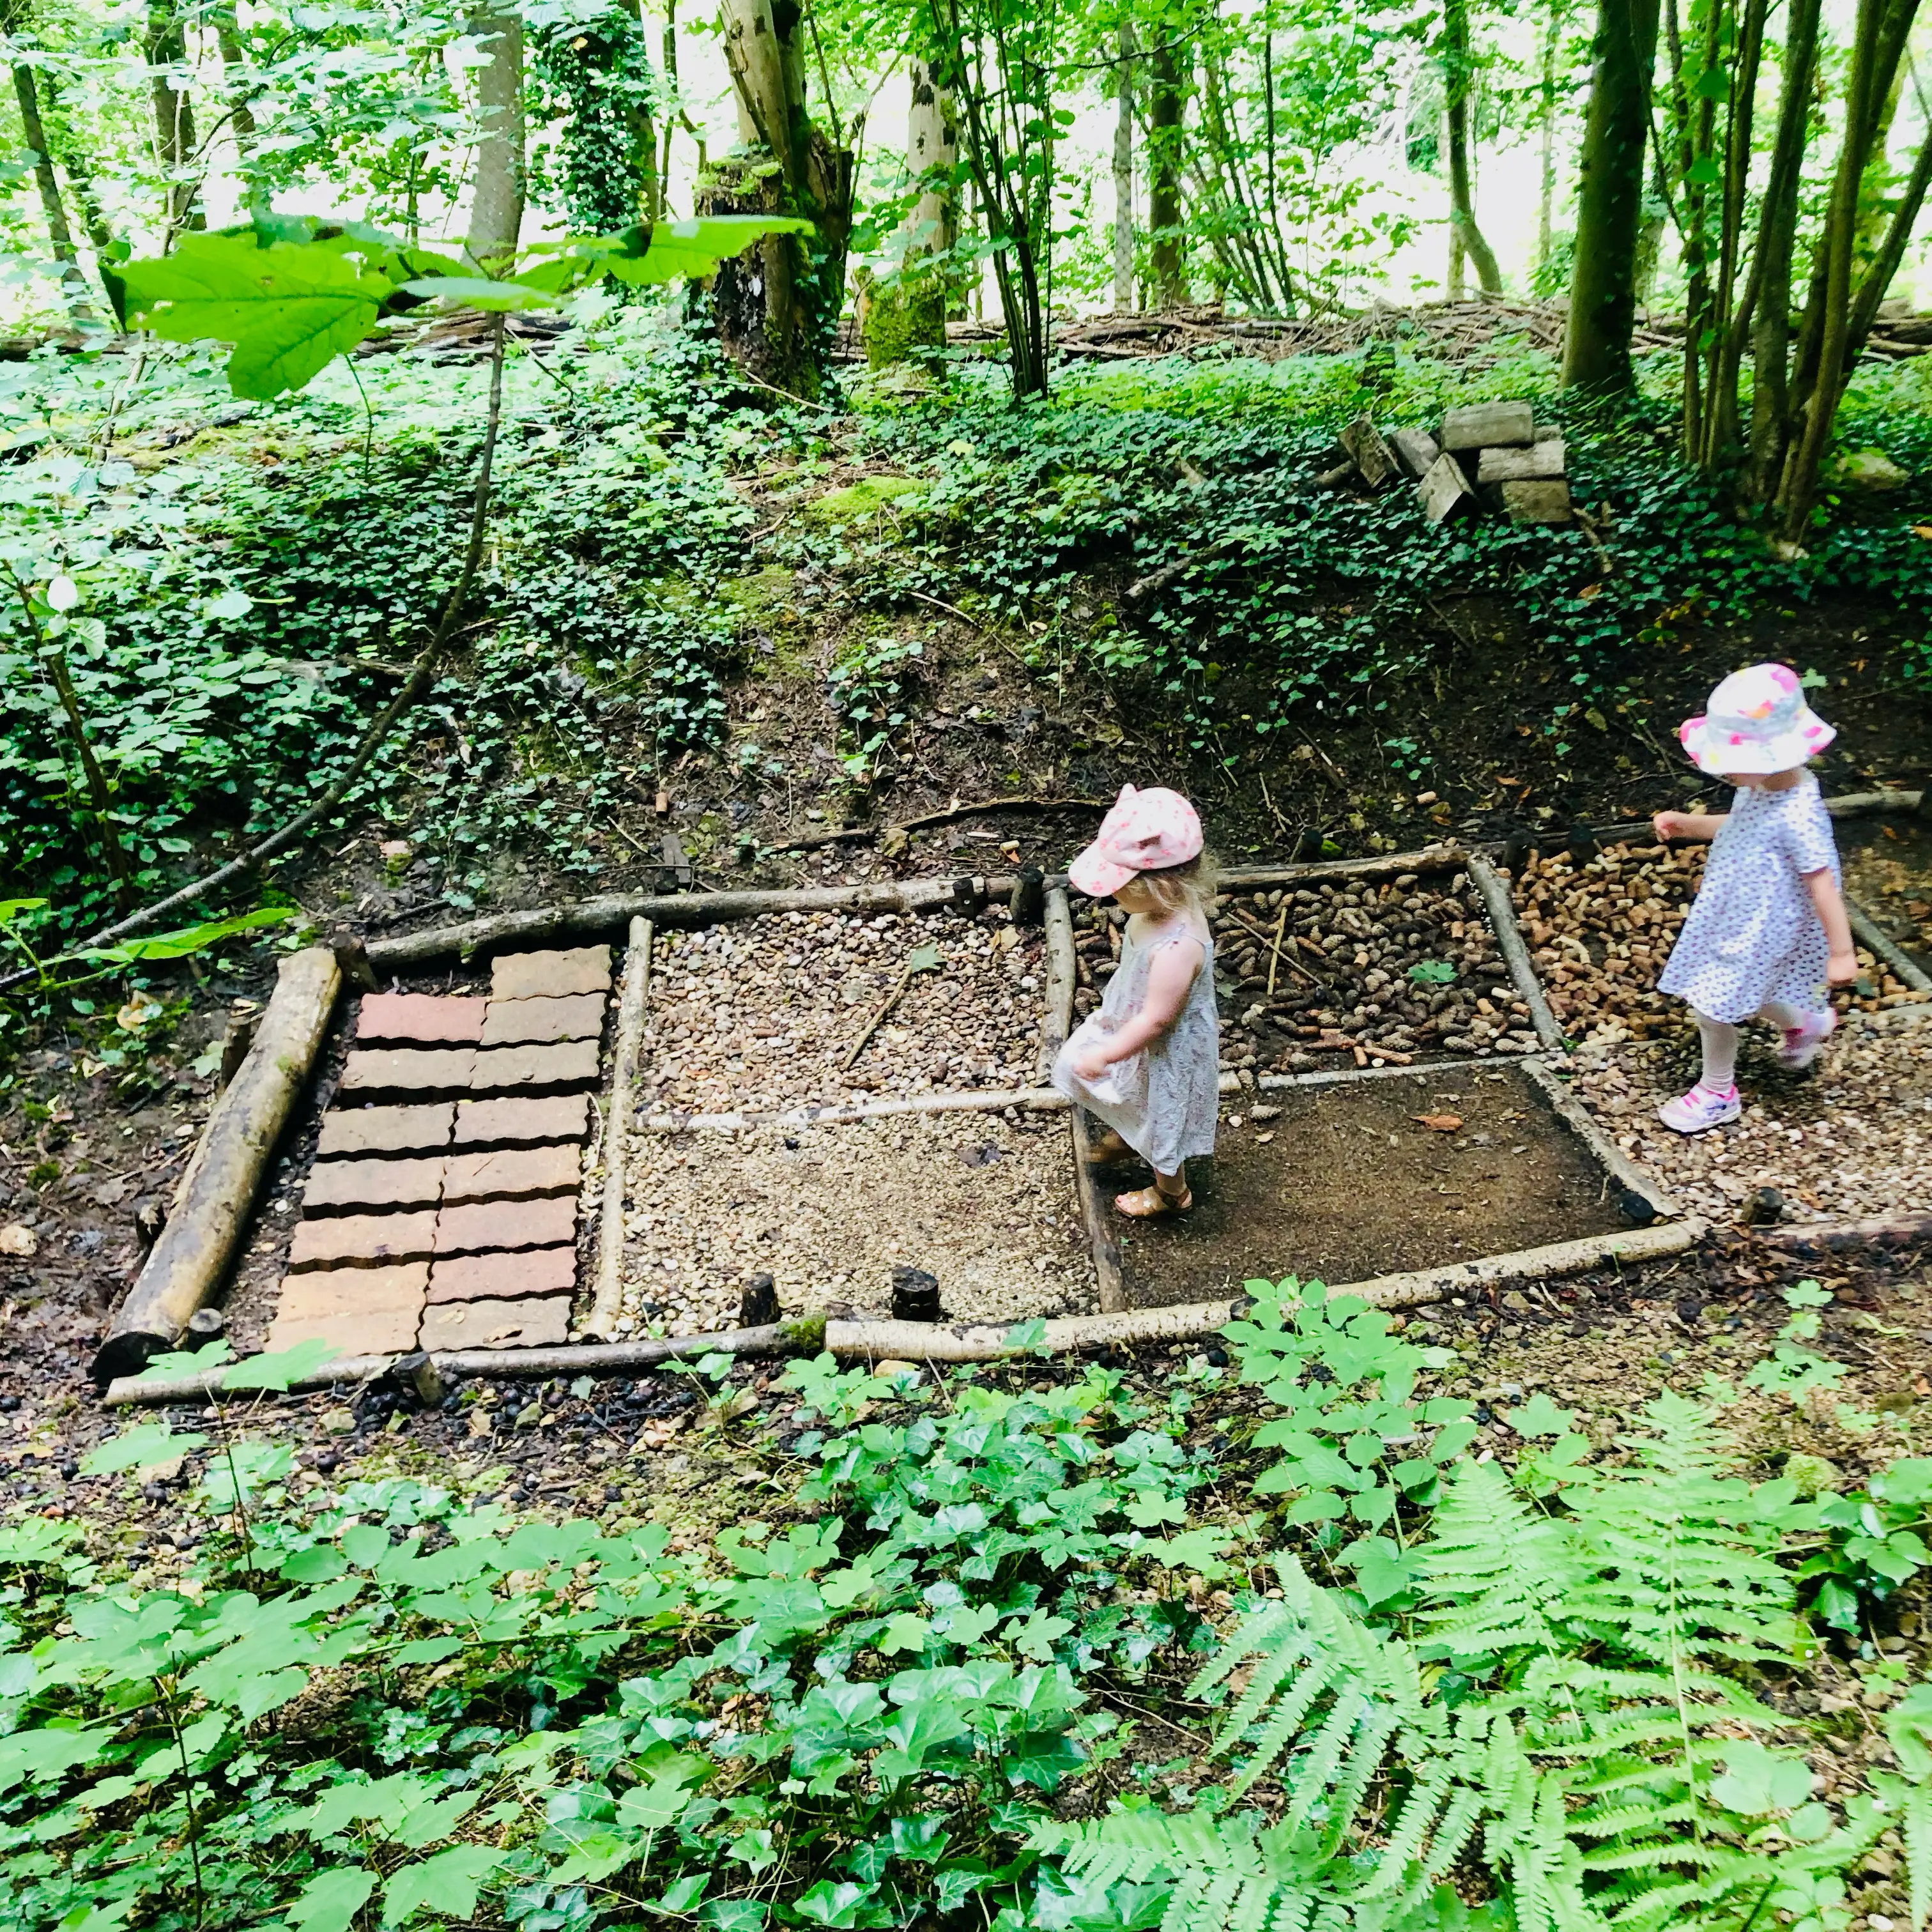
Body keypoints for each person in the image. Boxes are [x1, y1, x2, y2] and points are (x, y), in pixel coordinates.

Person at [1651, 663, 1858, 1133]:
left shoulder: (1798, 812)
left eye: (1729, 760)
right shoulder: (1766, 787)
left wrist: (1842, 952)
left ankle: (1718, 1091)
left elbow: (1822, 880)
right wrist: (1689, 825)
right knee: (1742, 992)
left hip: (1764, 924)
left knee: (1712, 1004)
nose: (1723, 770)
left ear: (1769, 756)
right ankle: (1804, 1021)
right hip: (1736, 913)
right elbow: (1743, 827)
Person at [1052, 785, 1220, 1216]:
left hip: (1164, 1045)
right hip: (1139, 1025)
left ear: (1160, 886)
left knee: (1164, 1111)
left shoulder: (1177, 948)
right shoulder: (1161, 909)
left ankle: (1171, 1192)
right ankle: (1132, 1135)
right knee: (1136, 1092)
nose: (1111, 895)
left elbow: (1157, 1021)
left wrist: (1109, 1052)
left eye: (1120, 885)